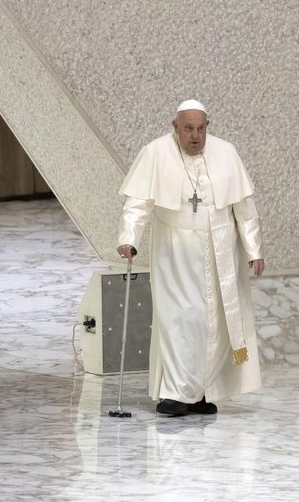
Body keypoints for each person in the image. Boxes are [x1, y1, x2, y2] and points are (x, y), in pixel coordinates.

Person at [117, 99, 265, 416]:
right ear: (175, 126)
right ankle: (175, 392)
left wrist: (254, 250)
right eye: (188, 129)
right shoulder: (156, 152)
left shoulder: (226, 152)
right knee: (180, 318)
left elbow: (245, 208)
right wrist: (128, 239)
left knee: (213, 322)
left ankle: (201, 392)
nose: (195, 136)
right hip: (174, 251)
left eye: (200, 129)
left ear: (207, 127)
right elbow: (137, 203)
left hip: (221, 249)